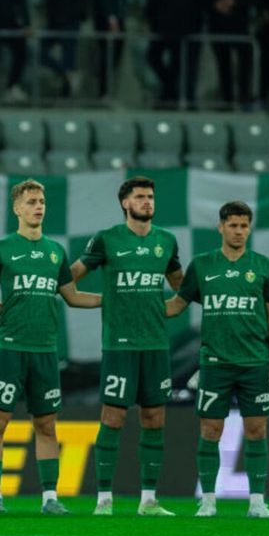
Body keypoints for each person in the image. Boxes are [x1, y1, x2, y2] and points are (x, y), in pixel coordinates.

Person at [0, 179, 101, 514]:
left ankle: (50, 498)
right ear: (17, 208)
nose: (39, 207)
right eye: (32, 201)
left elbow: (73, 297)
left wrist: (112, 300)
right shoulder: (1, 248)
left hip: (46, 350)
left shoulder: (55, 252)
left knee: (47, 425)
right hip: (10, 348)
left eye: (42, 201)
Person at [69, 176, 183, 516]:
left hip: (155, 345)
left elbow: (182, 286)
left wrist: (164, 309)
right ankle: (104, 499)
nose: (147, 201)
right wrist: (102, 301)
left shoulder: (166, 241)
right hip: (119, 345)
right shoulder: (107, 240)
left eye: (150, 196)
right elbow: (70, 276)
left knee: (154, 418)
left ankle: (148, 500)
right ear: (125, 203)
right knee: (113, 417)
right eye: (140, 197)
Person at [166, 201, 269, 519]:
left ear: (249, 228)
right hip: (215, 362)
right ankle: (208, 501)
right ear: (221, 227)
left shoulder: (262, 265)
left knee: (257, 429)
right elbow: (178, 304)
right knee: (210, 429)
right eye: (233, 225)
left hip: (254, 362)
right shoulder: (203, 265)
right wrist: (142, 308)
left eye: (244, 225)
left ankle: (257, 503)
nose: (238, 231)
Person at [145, 0, 202, 106]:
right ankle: (170, 92)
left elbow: (150, 8)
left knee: (161, 60)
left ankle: (169, 94)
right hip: (178, 31)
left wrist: (155, 24)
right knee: (164, 62)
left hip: (169, 31)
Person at [207, 0, 256, 108]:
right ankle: (226, 100)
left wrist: (234, 2)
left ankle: (244, 97)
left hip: (239, 28)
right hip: (219, 29)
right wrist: (215, 5)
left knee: (245, 64)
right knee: (224, 66)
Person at [93, 0, 126, 99]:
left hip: (119, 20)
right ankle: (103, 91)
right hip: (105, 22)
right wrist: (111, 19)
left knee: (115, 57)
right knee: (106, 56)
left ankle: (107, 89)